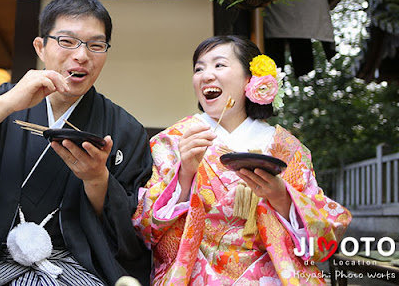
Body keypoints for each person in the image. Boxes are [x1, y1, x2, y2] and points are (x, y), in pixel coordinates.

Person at [0, 0, 153, 286]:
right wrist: (7, 104)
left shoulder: (124, 128)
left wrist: (97, 180)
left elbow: (133, 230)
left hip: (74, 268)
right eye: (67, 41)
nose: (81, 55)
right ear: (41, 47)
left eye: (96, 45)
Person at [133, 35, 351, 285]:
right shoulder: (174, 141)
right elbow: (145, 226)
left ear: (250, 79)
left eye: (219, 65)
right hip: (195, 273)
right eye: (198, 68)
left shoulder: (287, 149)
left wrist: (282, 197)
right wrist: (184, 176)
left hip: (271, 274)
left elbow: (324, 235)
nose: (205, 75)